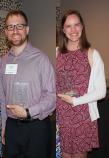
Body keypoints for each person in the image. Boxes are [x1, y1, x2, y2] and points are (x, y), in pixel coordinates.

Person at [0, 10, 56, 158]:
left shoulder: (41, 59)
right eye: (10, 27)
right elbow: (2, 97)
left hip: (36, 127)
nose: (15, 30)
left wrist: (29, 112)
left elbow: (52, 96)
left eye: (19, 26)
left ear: (27, 29)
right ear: (6, 32)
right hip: (12, 126)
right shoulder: (3, 61)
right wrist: (4, 126)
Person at [56, 10, 106, 158]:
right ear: (63, 30)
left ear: (82, 27)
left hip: (82, 114)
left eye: (76, 25)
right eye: (68, 26)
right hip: (62, 115)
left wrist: (75, 101)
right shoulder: (56, 53)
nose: (73, 30)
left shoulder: (92, 53)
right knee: (64, 155)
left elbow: (101, 91)